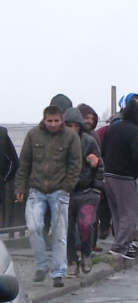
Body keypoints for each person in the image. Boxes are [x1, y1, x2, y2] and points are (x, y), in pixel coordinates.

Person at [14, 105, 82, 287]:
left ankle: (58, 272)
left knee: (59, 233)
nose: (52, 124)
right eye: (49, 121)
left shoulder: (70, 137)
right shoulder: (33, 135)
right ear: (44, 120)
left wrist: (67, 187)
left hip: (59, 190)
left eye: (56, 121)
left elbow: (76, 164)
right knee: (34, 227)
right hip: (36, 189)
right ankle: (41, 265)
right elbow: (25, 163)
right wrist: (20, 186)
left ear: (61, 121)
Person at [101, 98, 138, 260]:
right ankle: (120, 247)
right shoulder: (136, 132)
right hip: (125, 177)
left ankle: (123, 242)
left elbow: (103, 150)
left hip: (108, 175)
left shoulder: (112, 128)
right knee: (130, 213)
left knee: (117, 213)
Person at [63, 108, 104, 277]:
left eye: (75, 126)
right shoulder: (60, 143)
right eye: (69, 126)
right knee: (67, 230)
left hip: (87, 191)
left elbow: (98, 165)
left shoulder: (89, 142)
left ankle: (86, 253)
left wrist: (96, 188)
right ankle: (71, 260)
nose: (73, 130)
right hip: (65, 192)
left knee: (85, 224)